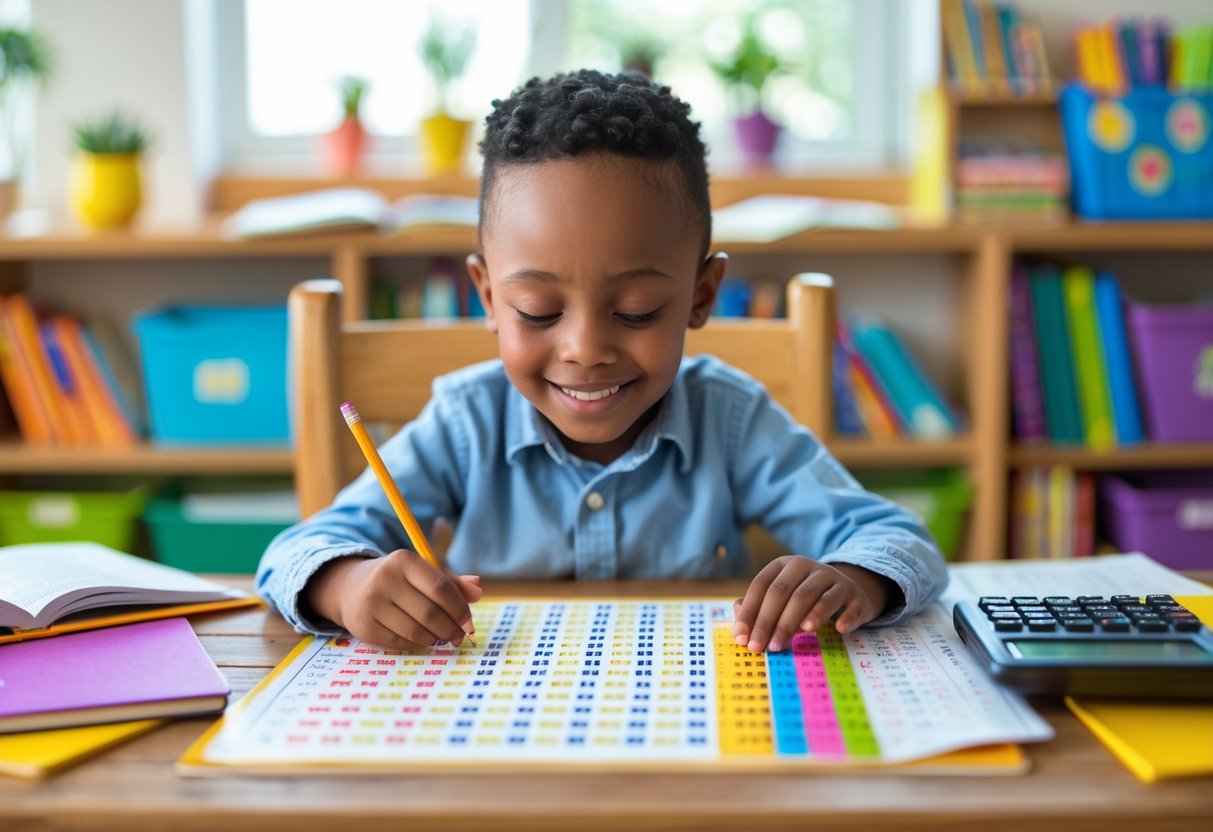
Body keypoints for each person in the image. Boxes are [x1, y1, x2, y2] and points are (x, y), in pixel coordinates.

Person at [257, 69, 947, 655]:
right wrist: (345, 584)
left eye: (638, 310)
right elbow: (297, 551)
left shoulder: (731, 419)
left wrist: (855, 578)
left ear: (700, 295)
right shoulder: (465, 423)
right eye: (537, 311)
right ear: (488, 296)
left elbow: (896, 538)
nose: (585, 349)